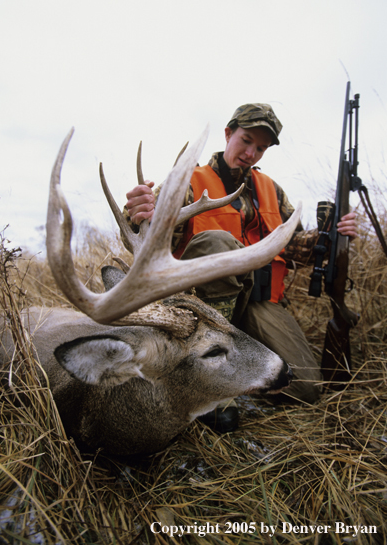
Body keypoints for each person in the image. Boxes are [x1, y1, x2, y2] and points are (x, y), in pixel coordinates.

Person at [125, 103, 357, 431]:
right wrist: (141, 214)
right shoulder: (188, 182)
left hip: (258, 302)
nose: (250, 153)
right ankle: (212, 381)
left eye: (260, 148)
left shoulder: (272, 190)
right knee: (217, 242)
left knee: (306, 390)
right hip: (200, 306)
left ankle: (244, 374)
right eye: (245, 140)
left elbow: (294, 247)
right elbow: (148, 235)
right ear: (228, 133)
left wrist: (332, 236)